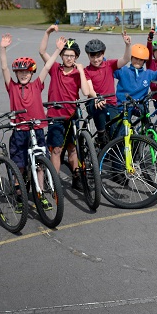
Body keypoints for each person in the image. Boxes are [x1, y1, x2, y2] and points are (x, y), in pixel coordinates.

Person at [0, 33, 55, 212]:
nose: (23, 75)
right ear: (17, 74)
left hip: (37, 128)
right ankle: (19, 196)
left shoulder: (37, 84)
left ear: (31, 73)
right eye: (20, 72)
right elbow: (4, 69)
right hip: (20, 131)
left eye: (26, 72)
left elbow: (47, 67)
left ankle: (40, 194)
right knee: (20, 166)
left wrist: (58, 50)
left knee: (39, 164)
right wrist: (3, 48)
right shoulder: (12, 87)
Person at [39, 25, 92, 191]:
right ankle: (55, 181)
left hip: (71, 115)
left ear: (76, 57)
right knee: (56, 149)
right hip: (56, 115)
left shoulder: (78, 72)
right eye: (66, 55)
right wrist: (47, 33)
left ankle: (76, 176)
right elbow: (42, 51)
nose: (69, 58)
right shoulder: (55, 69)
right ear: (61, 56)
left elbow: (85, 91)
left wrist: (82, 71)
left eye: (72, 56)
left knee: (72, 148)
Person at [83, 34, 131, 145]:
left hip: (111, 103)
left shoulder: (109, 65)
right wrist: (97, 98)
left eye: (98, 56)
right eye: (92, 56)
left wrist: (128, 45)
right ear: (88, 56)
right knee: (99, 107)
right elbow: (89, 89)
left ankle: (115, 158)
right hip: (94, 101)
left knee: (116, 136)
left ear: (103, 54)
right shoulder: (87, 71)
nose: (95, 59)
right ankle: (100, 134)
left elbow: (126, 59)